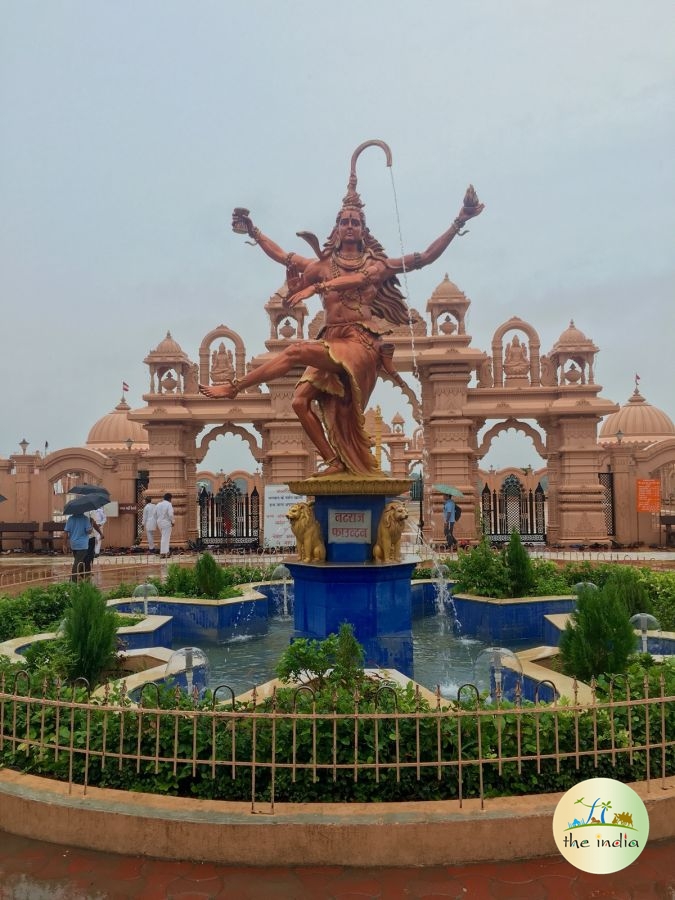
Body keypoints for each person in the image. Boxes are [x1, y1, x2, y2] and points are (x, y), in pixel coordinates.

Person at [200, 141, 484, 477]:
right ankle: (334, 461)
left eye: (355, 221)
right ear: (337, 228)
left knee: (294, 352)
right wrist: (255, 231)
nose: (350, 225)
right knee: (299, 402)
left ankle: (233, 387)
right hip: (330, 340)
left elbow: (423, 257)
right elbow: (282, 256)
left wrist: (458, 221)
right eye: (345, 221)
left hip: (359, 342)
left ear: (363, 230)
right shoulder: (321, 266)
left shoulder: (376, 266)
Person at [64, 513, 94, 581]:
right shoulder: (85, 519)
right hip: (82, 545)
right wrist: (91, 523)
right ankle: (72, 581)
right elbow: (89, 531)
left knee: (80, 562)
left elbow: (65, 532)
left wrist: (64, 544)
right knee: (77, 564)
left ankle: (82, 578)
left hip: (74, 544)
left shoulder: (70, 519)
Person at [155, 493, 175, 558]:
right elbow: (171, 514)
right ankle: (164, 552)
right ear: (169, 499)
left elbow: (155, 514)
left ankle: (165, 552)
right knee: (165, 538)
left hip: (159, 523)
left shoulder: (158, 504)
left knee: (164, 537)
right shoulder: (169, 504)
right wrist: (173, 521)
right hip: (166, 522)